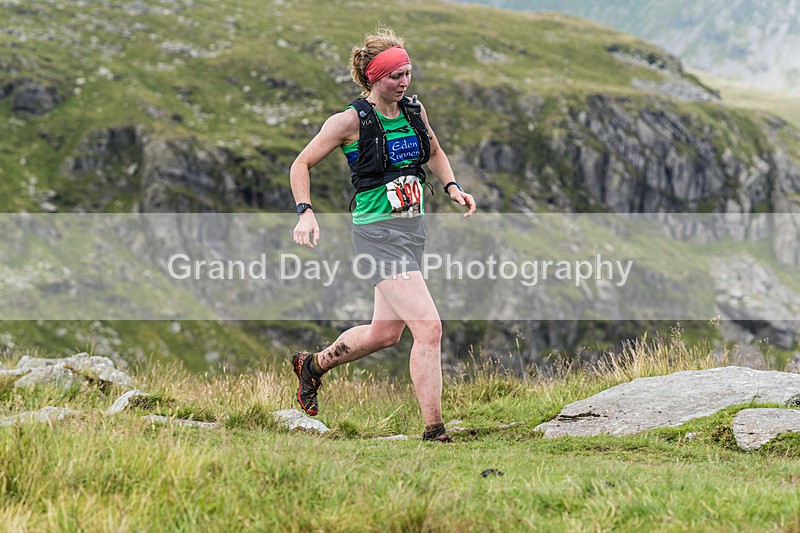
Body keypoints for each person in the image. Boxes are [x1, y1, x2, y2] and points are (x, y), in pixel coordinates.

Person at [289, 27, 476, 443]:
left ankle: (313, 366)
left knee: (385, 334)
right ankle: (435, 432)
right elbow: (300, 164)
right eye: (395, 76)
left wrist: (452, 187)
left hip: (411, 232)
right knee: (429, 328)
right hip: (375, 235)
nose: (404, 82)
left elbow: (436, 153)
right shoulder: (348, 121)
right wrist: (306, 213)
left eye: (408, 73)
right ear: (374, 77)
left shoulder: (414, 111)